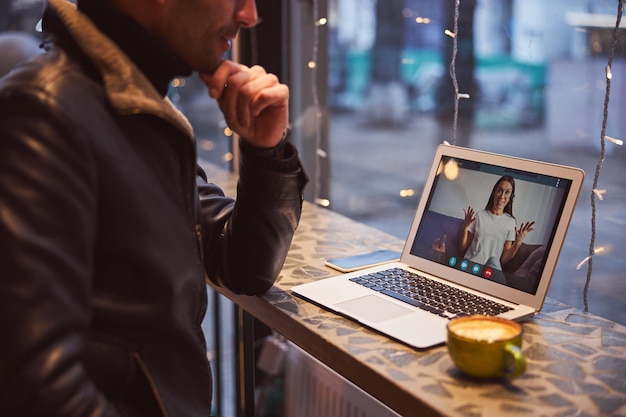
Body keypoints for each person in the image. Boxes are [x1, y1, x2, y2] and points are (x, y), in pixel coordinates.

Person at [0, 0, 308, 416]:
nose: (250, 15)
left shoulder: (128, 101)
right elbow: (37, 389)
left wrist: (267, 149)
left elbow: (241, 264)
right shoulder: (43, 111)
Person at [458, 175, 534, 273]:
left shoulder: (511, 222)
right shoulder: (480, 215)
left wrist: (517, 243)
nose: (502, 196)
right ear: (494, 192)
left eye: (507, 192)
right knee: (481, 259)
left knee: (494, 261)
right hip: (471, 265)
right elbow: (462, 248)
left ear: (511, 197)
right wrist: (465, 227)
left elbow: (503, 259)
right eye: (499, 191)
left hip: (490, 271)